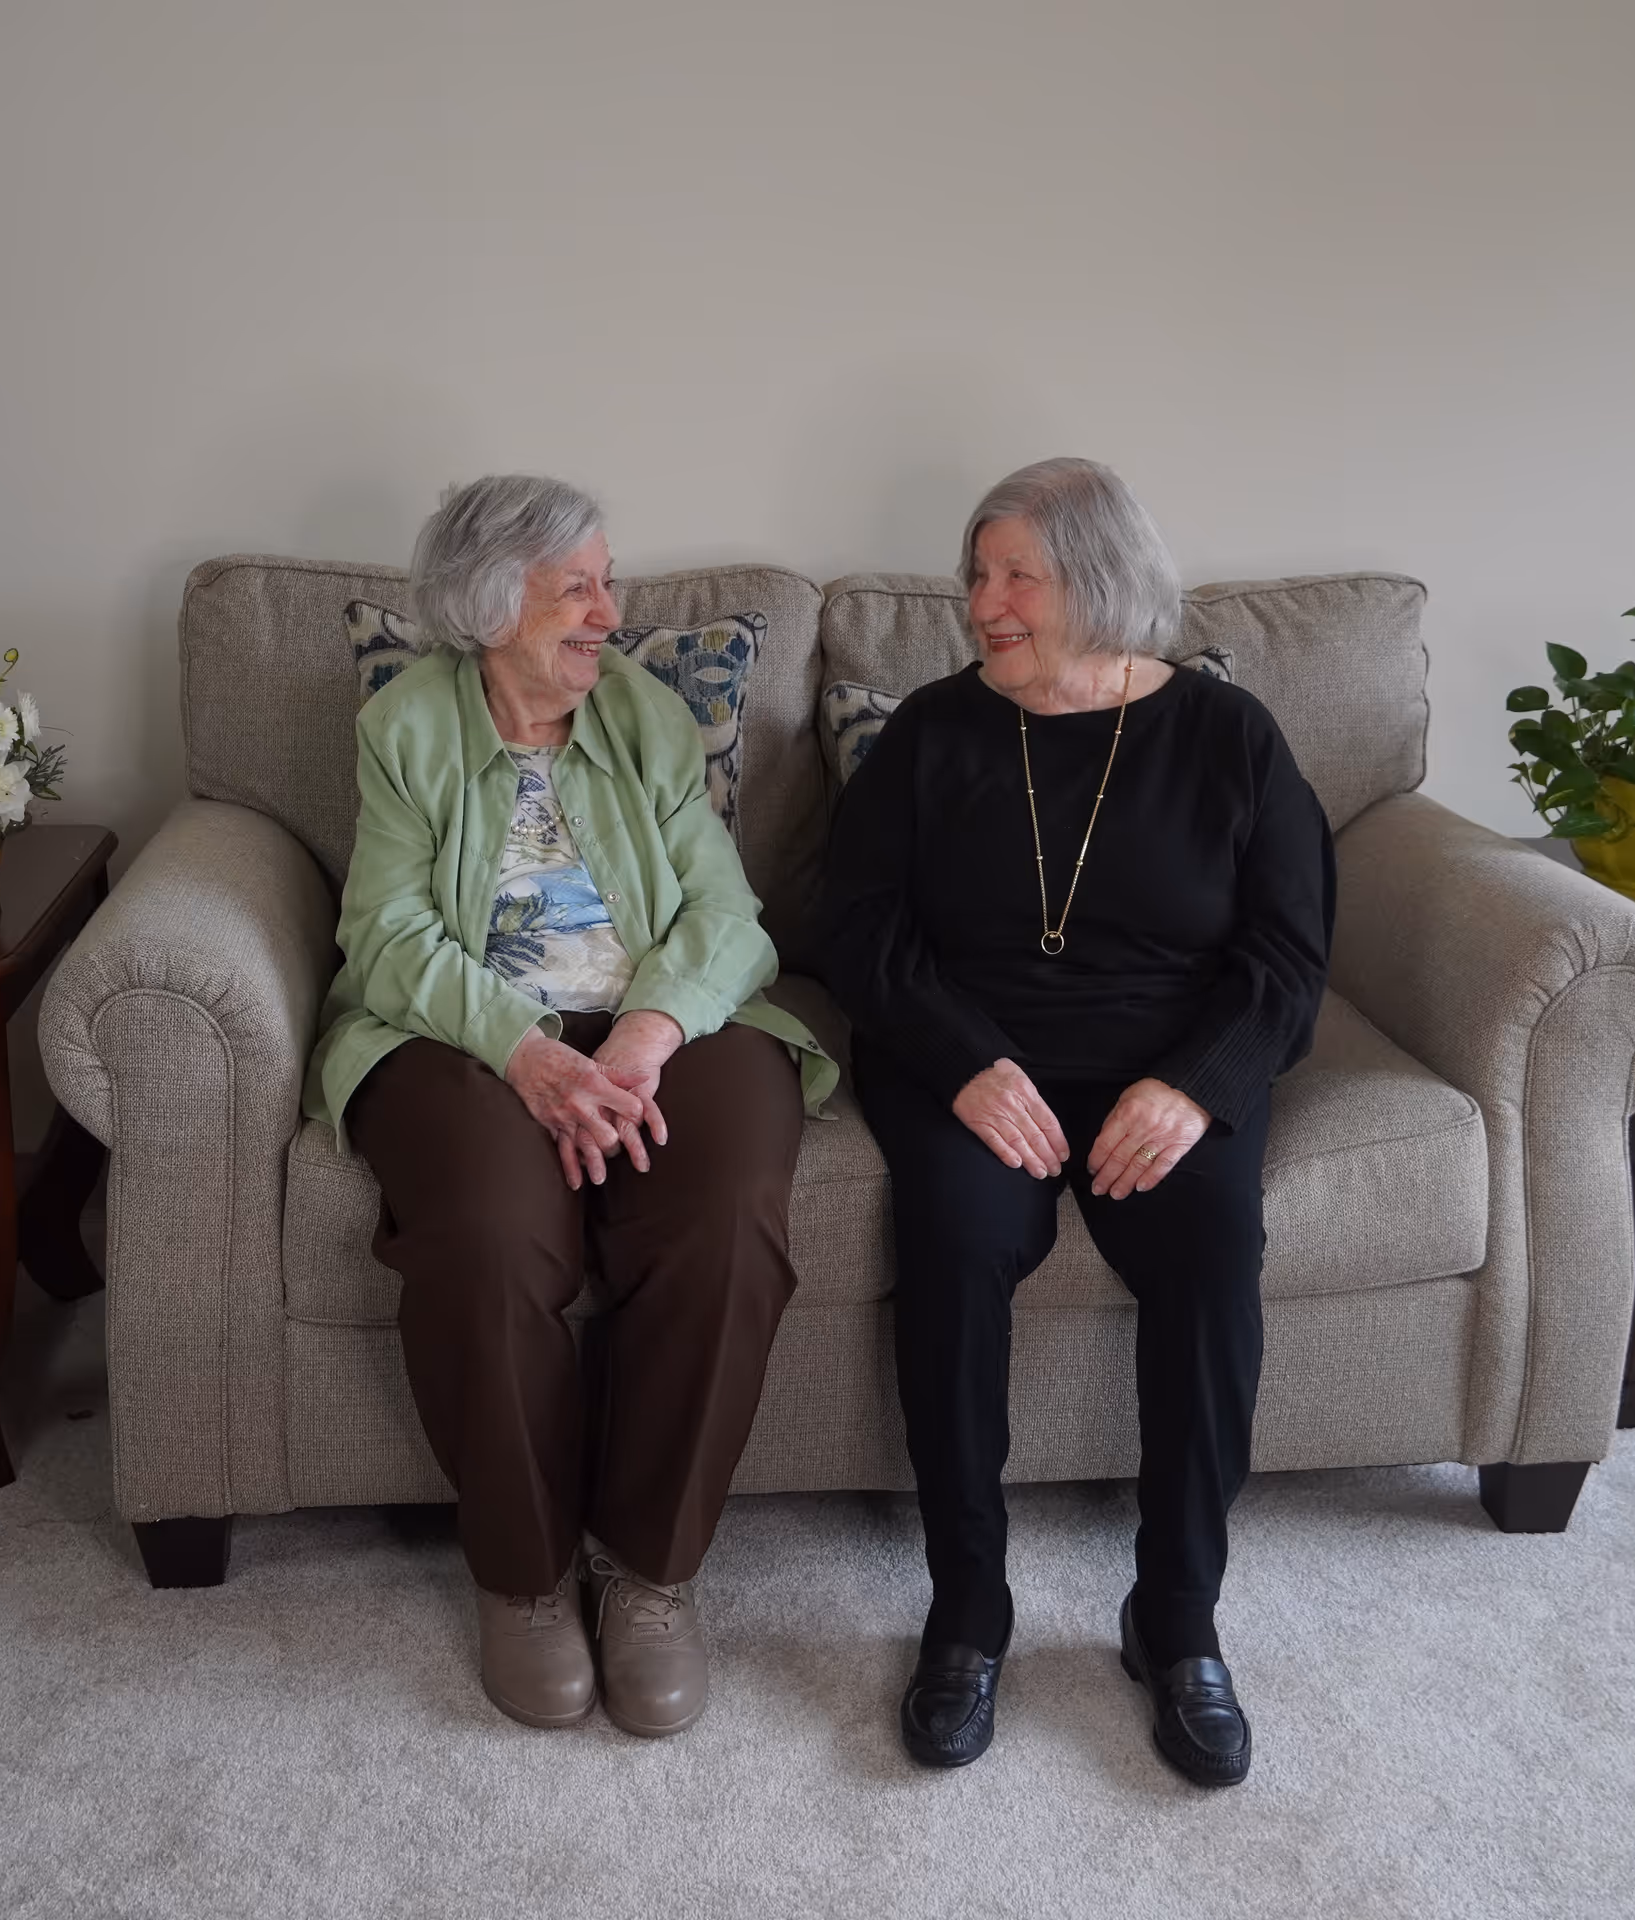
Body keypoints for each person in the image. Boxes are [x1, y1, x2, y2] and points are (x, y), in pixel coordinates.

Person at [820, 458, 1332, 1785]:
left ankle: (1176, 1622)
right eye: (976, 574)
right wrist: (962, 1060)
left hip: (1161, 1069)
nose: (983, 601)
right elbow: (857, 927)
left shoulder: (1229, 739)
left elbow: (1286, 951)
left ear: (1097, 581)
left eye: (1014, 576)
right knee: (953, 1236)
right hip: (972, 1063)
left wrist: (1200, 1085)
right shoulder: (933, 734)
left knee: (1215, 1249)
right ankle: (967, 1613)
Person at [305, 474, 834, 1738]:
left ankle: (649, 1575)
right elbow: (384, 932)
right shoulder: (408, 728)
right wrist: (525, 1051)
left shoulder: (649, 719)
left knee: (726, 1218)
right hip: (460, 1035)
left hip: (664, 1022)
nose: (612, 611)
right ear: (493, 610)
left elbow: (723, 915)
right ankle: (526, 1576)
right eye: (579, 589)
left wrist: (646, 1038)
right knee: (486, 1237)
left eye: (609, 580)